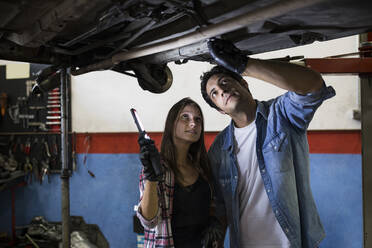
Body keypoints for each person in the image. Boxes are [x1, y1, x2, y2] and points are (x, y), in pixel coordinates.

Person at [200, 38, 336, 248]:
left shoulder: (281, 115)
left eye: (225, 82)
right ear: (219, 109)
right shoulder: (218, 149)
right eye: (215, 94)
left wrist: (246, 65)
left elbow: (313, 86)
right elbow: (220, 205)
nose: (222, 91)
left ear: (244, 83)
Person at [136, 97, 223, 248]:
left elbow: (210, 206)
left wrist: (212, 220)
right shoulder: (158, 168)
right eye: (185, 117)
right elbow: (149, 221)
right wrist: (152, 177)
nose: (193, 123)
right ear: (171, 124)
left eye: (198, 119)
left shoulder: (202, 168)